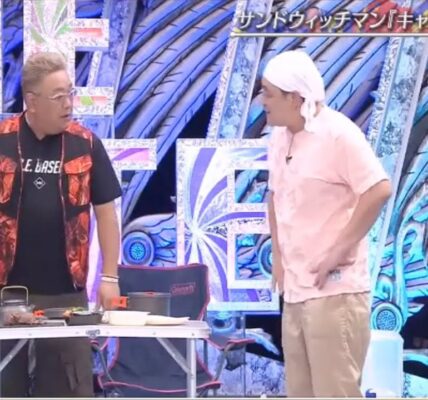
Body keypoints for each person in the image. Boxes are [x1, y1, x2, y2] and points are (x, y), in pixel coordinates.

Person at [262, 50, 392, 397]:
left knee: (335, 392)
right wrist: (278, 256)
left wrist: (337, 251)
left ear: (294, 98)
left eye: (268, 93)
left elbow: (379, 189)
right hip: (295, 291)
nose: (262, 101)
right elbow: (274, 195)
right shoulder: (280, 138)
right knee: (300, 392)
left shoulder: (338, 134)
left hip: (335, 293)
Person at [0, 52, 122, 397]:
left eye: (70, 93)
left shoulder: (86, 144)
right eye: (58, 96)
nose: (68, 103)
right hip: (7, 294)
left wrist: (109, 277)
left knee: (68, 387)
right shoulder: (3, 140)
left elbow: (107, 214)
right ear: (31, 101)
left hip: (67, 296)